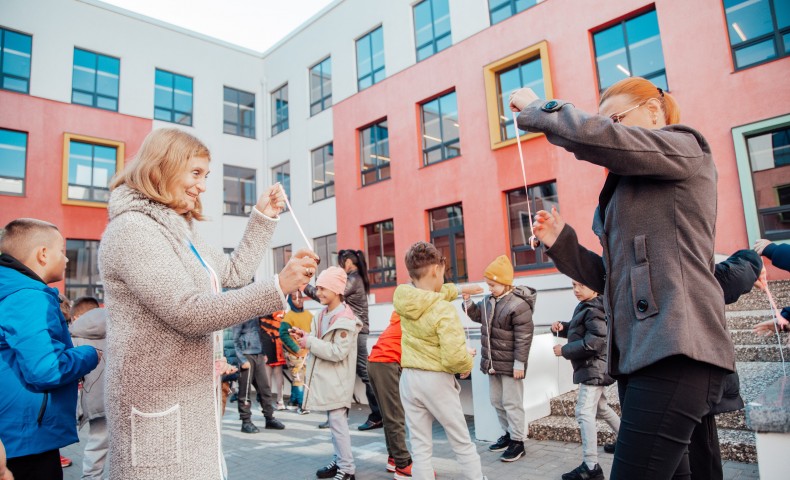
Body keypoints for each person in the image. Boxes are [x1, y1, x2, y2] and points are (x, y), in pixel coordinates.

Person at [511, 78, 733, 479]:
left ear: (654, 110)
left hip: (677, 346)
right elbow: (610, 278)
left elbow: (606, 141)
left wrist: (542, 109)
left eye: (616, 118)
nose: (612, 129)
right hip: (642, 354)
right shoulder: (629, 187)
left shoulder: (686, 146)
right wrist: (562, 242)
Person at [98, 128, 317, 480]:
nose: (202, 185)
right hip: (158, 409)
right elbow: (189, 311)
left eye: (206, 176)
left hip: (190, 402)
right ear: (162, 167)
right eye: (195, 173)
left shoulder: (181, 230)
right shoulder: (133, 231)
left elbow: (233, 272)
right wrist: (279, 286)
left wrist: (263, 216)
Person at [0, 219, 100, 480]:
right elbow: (46, 369)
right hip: (24, 439)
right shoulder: (27, 295)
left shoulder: (11, 289)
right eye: (62, 251)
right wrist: (89, 354)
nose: (66, 259)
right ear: (43, 254)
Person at [394, 241, 486, 480]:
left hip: (409, 378)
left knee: (420, 447)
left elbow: (432, 294)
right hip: (436, 380)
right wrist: (466, 363)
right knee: (461, 441)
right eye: (444, 272)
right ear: (436, 269)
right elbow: (456, 358)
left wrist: (462, 288)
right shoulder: (443, 310)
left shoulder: (406, 300)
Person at [462, 255, 535, 463]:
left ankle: (518, 441)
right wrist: (468, 302)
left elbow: (524, 337)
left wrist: (520, 363)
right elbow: (477, 316)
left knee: (512, 402)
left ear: (505, 283)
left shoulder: (518, 305)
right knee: (497, 401)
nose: (490, 288)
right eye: (488, 284)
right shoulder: (488, 301)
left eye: (493, 285)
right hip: (493, 362)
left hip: (511, 364)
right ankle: (508, 434)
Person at [293, 266, 363, 480]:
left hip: (337, 382)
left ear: (336, 289)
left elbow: (337, 352)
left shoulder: (345, 319)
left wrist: (309, 341)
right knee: (334, 426)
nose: (319, 292)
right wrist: (304, 336)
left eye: (324, 288)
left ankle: (347, 469)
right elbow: (317, 340)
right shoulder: (322, 314)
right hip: (326, 381)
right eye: (319, 287)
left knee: (338, 426)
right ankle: (340, 460)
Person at [305, 249, 383, 430]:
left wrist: (305, 288)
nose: (341, 266)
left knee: (362, 373)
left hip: (354, 332)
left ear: (348, 262)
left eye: (341, 262)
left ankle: (377, 414)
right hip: (355, 331)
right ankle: (336, 414)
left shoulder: (353, 279)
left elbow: (330, 295)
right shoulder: (357, 278)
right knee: (344, 373)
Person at [550, 281, 619, 480]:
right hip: (593, 367)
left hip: (593, 368)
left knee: (583, 411)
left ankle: (591, 466)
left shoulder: (594, 308)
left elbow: (595, 341)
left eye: (581, 285)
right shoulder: (588, 306)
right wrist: (563, 327)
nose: (576, 290)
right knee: (601, 408)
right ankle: (627, 440)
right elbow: (581, 329)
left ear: (595, 287)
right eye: (572, 285)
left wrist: (564, 350)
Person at [69, 301, 109, 480]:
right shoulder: (115, 325)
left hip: (93, 398)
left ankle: (91, 477)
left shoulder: (73, 334)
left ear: (76, 317)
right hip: (120, 397)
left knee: (96, 444)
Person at [233, 315, 285, 432]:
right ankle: (246, 422)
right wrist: (242, 359)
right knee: (245, 391)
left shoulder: (255, 314)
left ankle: (269, 418)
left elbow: (259, 334)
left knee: (265, 389)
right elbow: (234, 339)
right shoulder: (239, 315)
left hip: (258, 355)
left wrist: (263, 352)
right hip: (246, 356)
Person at [279, 291, 313, 413]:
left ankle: (293, 401)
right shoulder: (288, 317)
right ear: (290, 301)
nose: (299, 300)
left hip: (307, 352)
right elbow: (283, 335)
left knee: (300, 377)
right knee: (298, 378)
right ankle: (302, 405)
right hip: (294, 353)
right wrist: (297, 350)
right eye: (294, 298)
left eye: (300, 297)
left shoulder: (309, 315)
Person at [260, 311, 287, 410]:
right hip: (278, 343)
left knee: (268, 375)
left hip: (266, 343)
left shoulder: (261, 311)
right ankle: (280, 401)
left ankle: (268, 403)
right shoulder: (281, 311)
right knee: (278, 373)